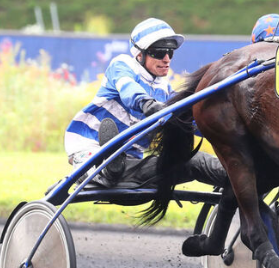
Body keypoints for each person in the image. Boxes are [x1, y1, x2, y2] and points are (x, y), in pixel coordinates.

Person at [64, 17, 227, 189]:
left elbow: (191, 123)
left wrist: (219, 128)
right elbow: (129, 89)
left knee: (196, 161)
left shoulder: (164, 90)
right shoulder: (122, 65)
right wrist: (148, 104)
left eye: (170, 52)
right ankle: (102, 170)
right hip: (88, 148)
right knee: (105, 163)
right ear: (139, 54)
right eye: (159, 52)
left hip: (131, 164)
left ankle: (246, 178)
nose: (166, 59)